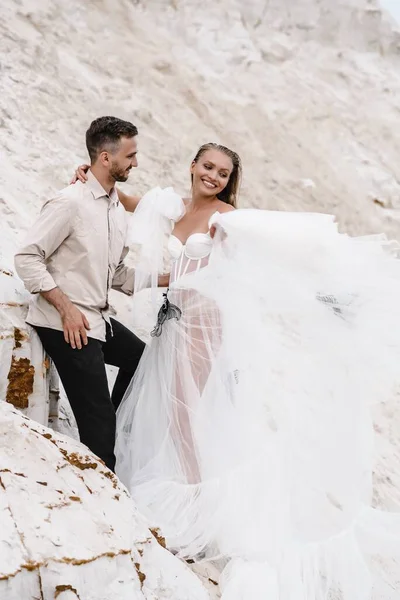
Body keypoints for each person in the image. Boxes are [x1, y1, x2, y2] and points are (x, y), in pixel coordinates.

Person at [73, 143, 400, 599]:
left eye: (223, 173)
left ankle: (195, 515)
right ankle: (188, 502)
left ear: (229, 180)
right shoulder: (177, 207)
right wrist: (93, 180)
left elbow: (270, 259)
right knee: (167, 415)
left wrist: (325, 291)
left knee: (185, 420)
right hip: (173, 325)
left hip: (204, 327)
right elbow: (140, 206)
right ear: (193, 166)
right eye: (207, 167)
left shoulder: (224, 220)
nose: (213, 177)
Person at [15, 116, 168, 472]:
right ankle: (104, 485)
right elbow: (26, 258)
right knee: (99, 434)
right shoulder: (70, 202)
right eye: (130, 155)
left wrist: (167, 278)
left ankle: (105, 424)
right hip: (65, 324)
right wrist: (66, 309)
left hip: (97, 319)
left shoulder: (115, 206)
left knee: (143, 361)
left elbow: (114, 274)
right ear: (104, 157)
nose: (136, 162)